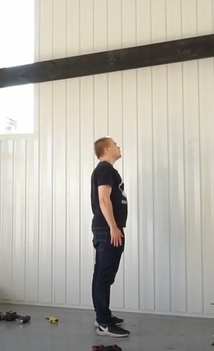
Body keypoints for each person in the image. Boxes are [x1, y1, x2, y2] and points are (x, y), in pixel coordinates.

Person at [90, 137, 130, 338]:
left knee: (103, 275)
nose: (119, 146)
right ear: (106, 149)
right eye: (115, 144)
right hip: (108, 230)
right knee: (104, 276)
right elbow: (103, 199)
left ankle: (102, 316)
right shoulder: (105, 169)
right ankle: (104, 323)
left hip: (107, 229)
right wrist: (113, 227)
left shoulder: (108, 170)